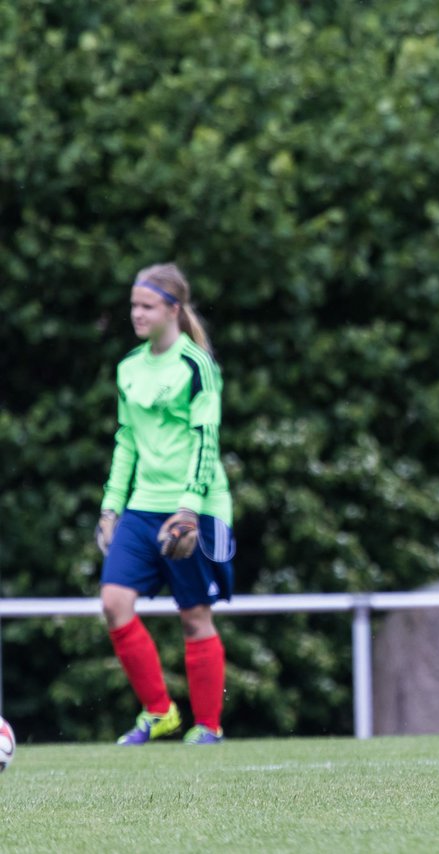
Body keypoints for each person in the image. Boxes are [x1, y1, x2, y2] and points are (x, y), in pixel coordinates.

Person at [95, 263, 236, 745]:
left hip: (190, 505)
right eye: (133, 305)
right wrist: (111, 507)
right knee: (114, 603)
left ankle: (208, 727)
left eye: (146, 305)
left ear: (172, 310)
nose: (136, 313)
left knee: (194, 615)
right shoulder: (129, 368)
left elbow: (206, 441)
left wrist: (190, 509)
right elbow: (127, 441)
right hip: (142, 504)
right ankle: (159, 713)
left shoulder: (196, 366)